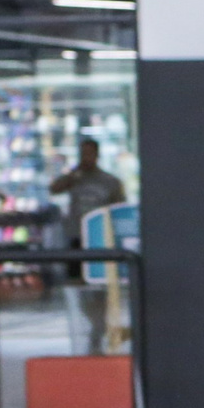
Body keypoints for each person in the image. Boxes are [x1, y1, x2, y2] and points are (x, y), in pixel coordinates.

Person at [49, 137, 125, 354]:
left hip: (99, 238)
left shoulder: (109, 182)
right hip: (76, 237)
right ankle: (88, 322)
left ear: (97, 154)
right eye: (83, 153)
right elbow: (54, 188)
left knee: (99, 284)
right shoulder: (74, 178)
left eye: (90, 153)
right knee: (78, 284)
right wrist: (73, 174)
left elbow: (119, 208)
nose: (86, 157)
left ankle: (99, 325)